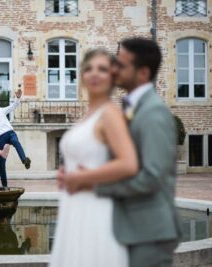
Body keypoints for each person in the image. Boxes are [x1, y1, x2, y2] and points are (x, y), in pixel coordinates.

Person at [59, 38, 182, 267]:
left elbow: (151, 177)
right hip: (130, 226)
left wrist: (93, 185)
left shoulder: (153, 113)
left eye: (121, 65)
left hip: (149, 231)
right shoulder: (131, 108)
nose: (115, 69)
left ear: (143, 73)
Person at [49, 48, 137, 267]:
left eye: (102, 69)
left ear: (113, 77)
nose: (94, 73)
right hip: (75, 206)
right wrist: (66, 173)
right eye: (88, 69)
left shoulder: (110, 113)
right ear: (81, 76)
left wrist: (81, 178)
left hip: (96, 207)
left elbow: (129, 164)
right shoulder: (87, 116)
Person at [0, 89, 31, 188]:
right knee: (1, 163)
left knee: (15, 141)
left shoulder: (0, 110)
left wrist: (17, 98)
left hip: (9, 133)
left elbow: (13, 107)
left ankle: (24, 160)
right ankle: (4, 185)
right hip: (0, 139)